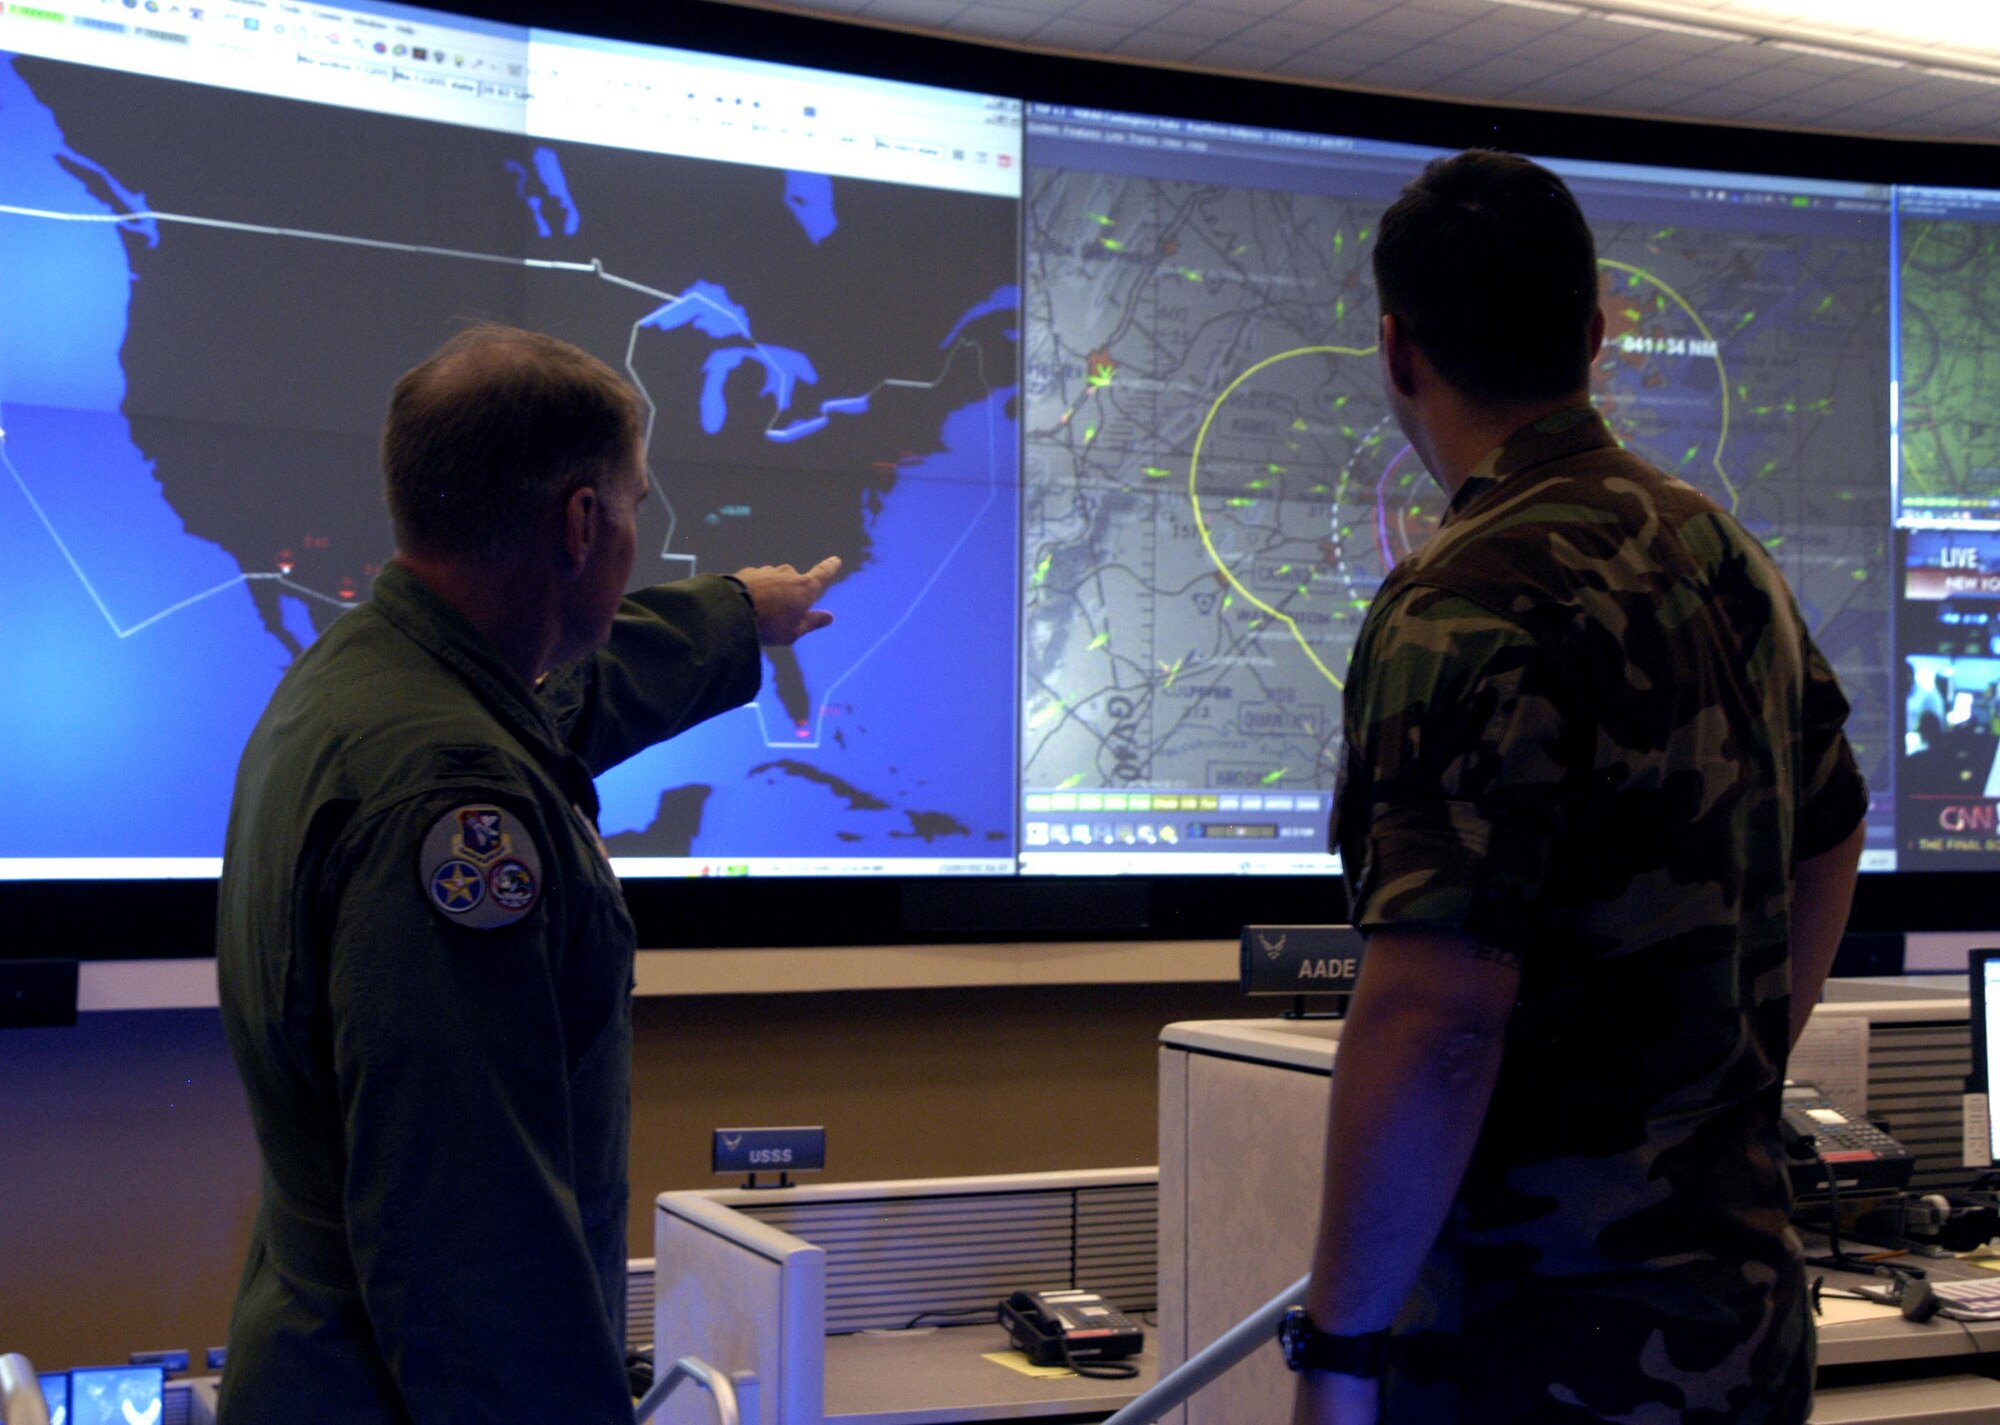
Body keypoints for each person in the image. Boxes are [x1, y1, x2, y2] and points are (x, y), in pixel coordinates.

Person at [1282, 153, 1870, 1424]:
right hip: (1741, 1331)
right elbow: (1833, 827)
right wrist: (1738, 1051)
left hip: (1537, 1350)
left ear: (1396, 351)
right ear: (1594, 331)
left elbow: (1434, 1023)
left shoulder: (1461, 599)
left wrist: (1336, 1360)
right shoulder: (1723, 553)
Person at [215, 325, 839, 1422]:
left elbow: (559, 705)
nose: (637, 533)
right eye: (636, 506)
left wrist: (734, 618)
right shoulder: (450, 799)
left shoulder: (369, 679)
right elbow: (475, 1247)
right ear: (579, 523)